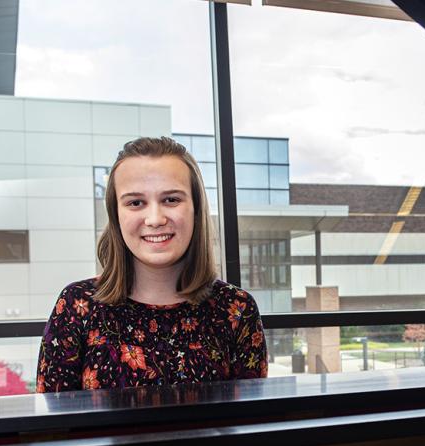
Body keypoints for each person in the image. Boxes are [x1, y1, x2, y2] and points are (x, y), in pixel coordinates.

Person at [36, 136, 267, 392]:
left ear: (196, 209)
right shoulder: (76, 307)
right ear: (116, 215)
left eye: (171, 200)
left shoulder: (236, 310)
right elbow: (52, 428)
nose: (155, 219)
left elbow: (250, 424)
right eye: (136, 203)